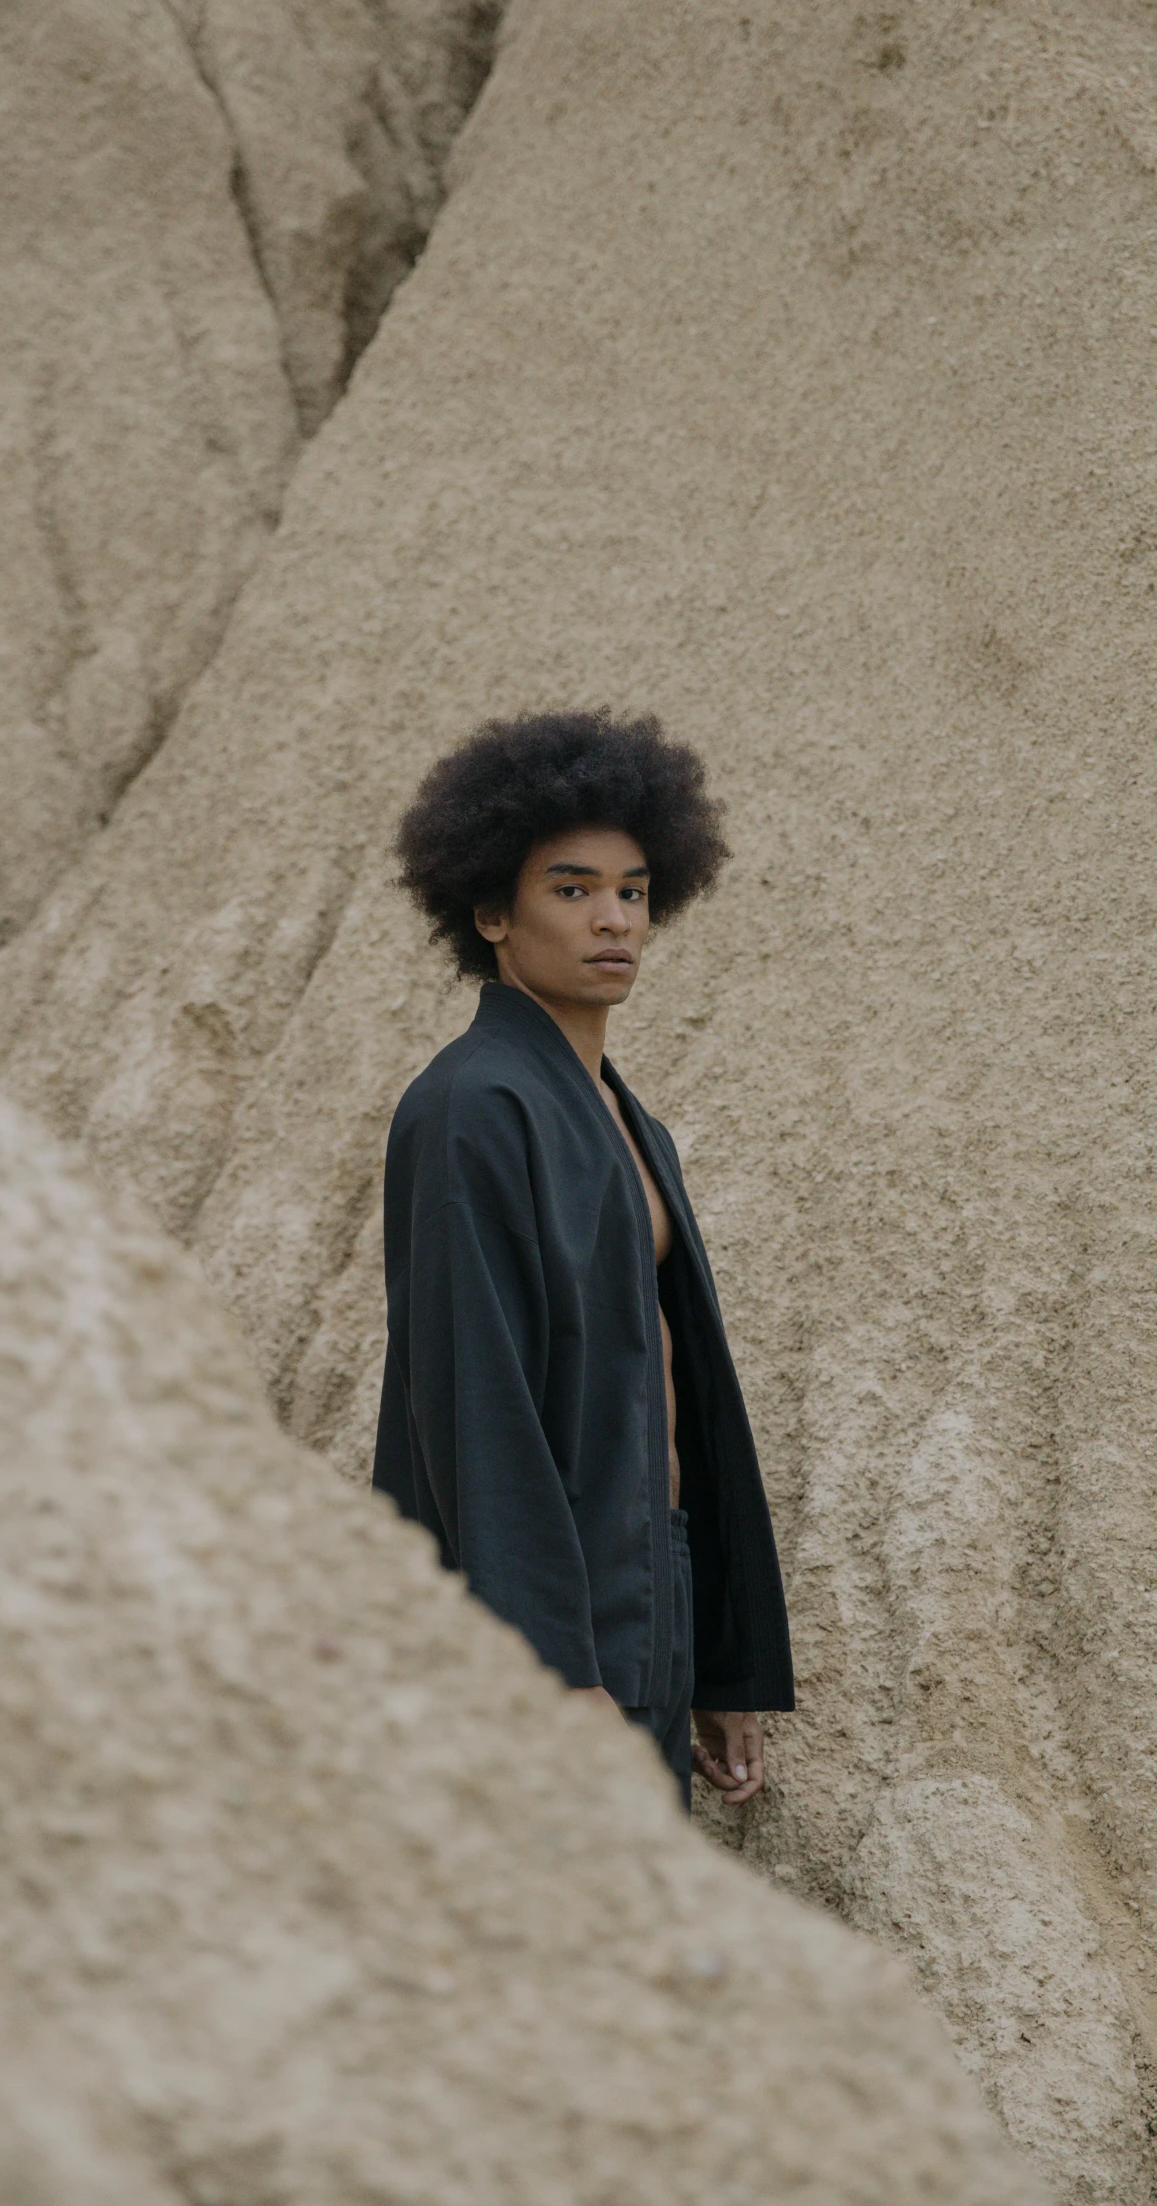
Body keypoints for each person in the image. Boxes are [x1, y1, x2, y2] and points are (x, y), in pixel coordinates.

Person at [373, 708, 794, 1809]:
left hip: (642, 1600)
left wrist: (708, 1656)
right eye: (571, 889)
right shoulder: (470, 1106)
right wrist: (552, 1675)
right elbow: (476, 1405)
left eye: (633, 890)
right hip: (538, 1642)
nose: (613, 919)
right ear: (489, 913)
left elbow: (677, 1392)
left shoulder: (623, 1119)